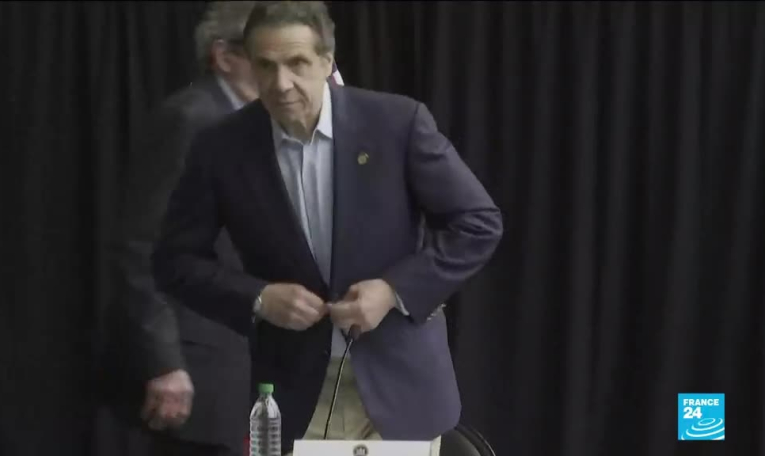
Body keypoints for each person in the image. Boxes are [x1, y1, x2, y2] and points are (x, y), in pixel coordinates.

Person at [151, 1, 503, 456]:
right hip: (296, 392)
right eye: (266, 66)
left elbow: (477, 223)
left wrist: (393, 291)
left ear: (326, 61)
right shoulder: (221, 148)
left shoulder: (396, 124)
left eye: (297, 63)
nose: (281, 83)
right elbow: (175, 260)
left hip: (402, 386)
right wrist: (259, 298)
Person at [110, 2, 259, 455]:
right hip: (197, 369)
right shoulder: (192, 119)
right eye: (268, 52)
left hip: (252, 364)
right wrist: (164, 363)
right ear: (225, 56)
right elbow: (142, 246)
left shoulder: (261, 122)